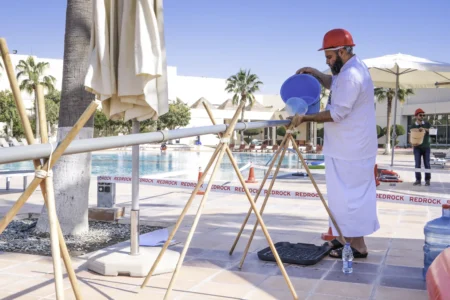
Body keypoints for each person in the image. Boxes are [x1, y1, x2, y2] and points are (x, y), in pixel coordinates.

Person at [289, 28, 379, 259]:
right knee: (346, 198)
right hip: (347, 148)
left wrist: (305, 117)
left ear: (341, 51)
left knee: (350, 198)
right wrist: (316, 74)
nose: (328, 62)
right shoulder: (350, 69)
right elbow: (334, 82)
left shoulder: (351, 75)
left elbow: (337, 113)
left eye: (329, 57)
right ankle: (344, 239)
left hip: (351, 149)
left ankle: (357, 246)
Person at [410, 108, 431, 186]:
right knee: (417, 164)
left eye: (423, 115)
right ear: (416, 116)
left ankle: (427, 180)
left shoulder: (427, 124)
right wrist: (411, 143)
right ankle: (418, 180)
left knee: (427, 164)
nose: (422, 116)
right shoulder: (413, 125)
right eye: (420, 115)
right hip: (417, 147)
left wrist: (425, 129)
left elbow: (434, 132)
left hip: (426, 146)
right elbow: (411, 136)